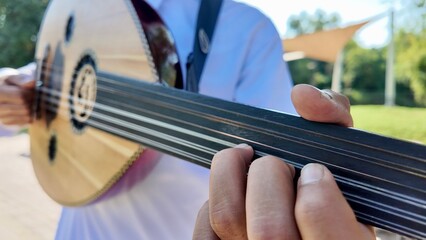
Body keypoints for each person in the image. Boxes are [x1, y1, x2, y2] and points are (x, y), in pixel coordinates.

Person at [0, 0, 372, 239]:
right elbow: (47, 72)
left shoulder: (246, 27)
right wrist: (12, 87)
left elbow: (277, 162)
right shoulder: (86, 7)